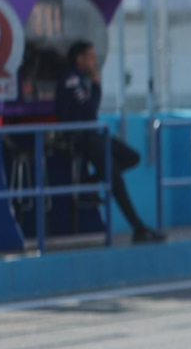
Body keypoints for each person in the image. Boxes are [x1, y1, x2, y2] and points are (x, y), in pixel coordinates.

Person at [54, 41, 164, 244]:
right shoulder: (73, 79)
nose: (95, 61)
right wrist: (96, 85)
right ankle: (139, 229)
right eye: (91, 57)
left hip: (93, 135)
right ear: (80, 59)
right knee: (116, 181)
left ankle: (92, 181)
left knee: (132, 157)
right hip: (82, 139)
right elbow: (88, 110)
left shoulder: (81, 79)